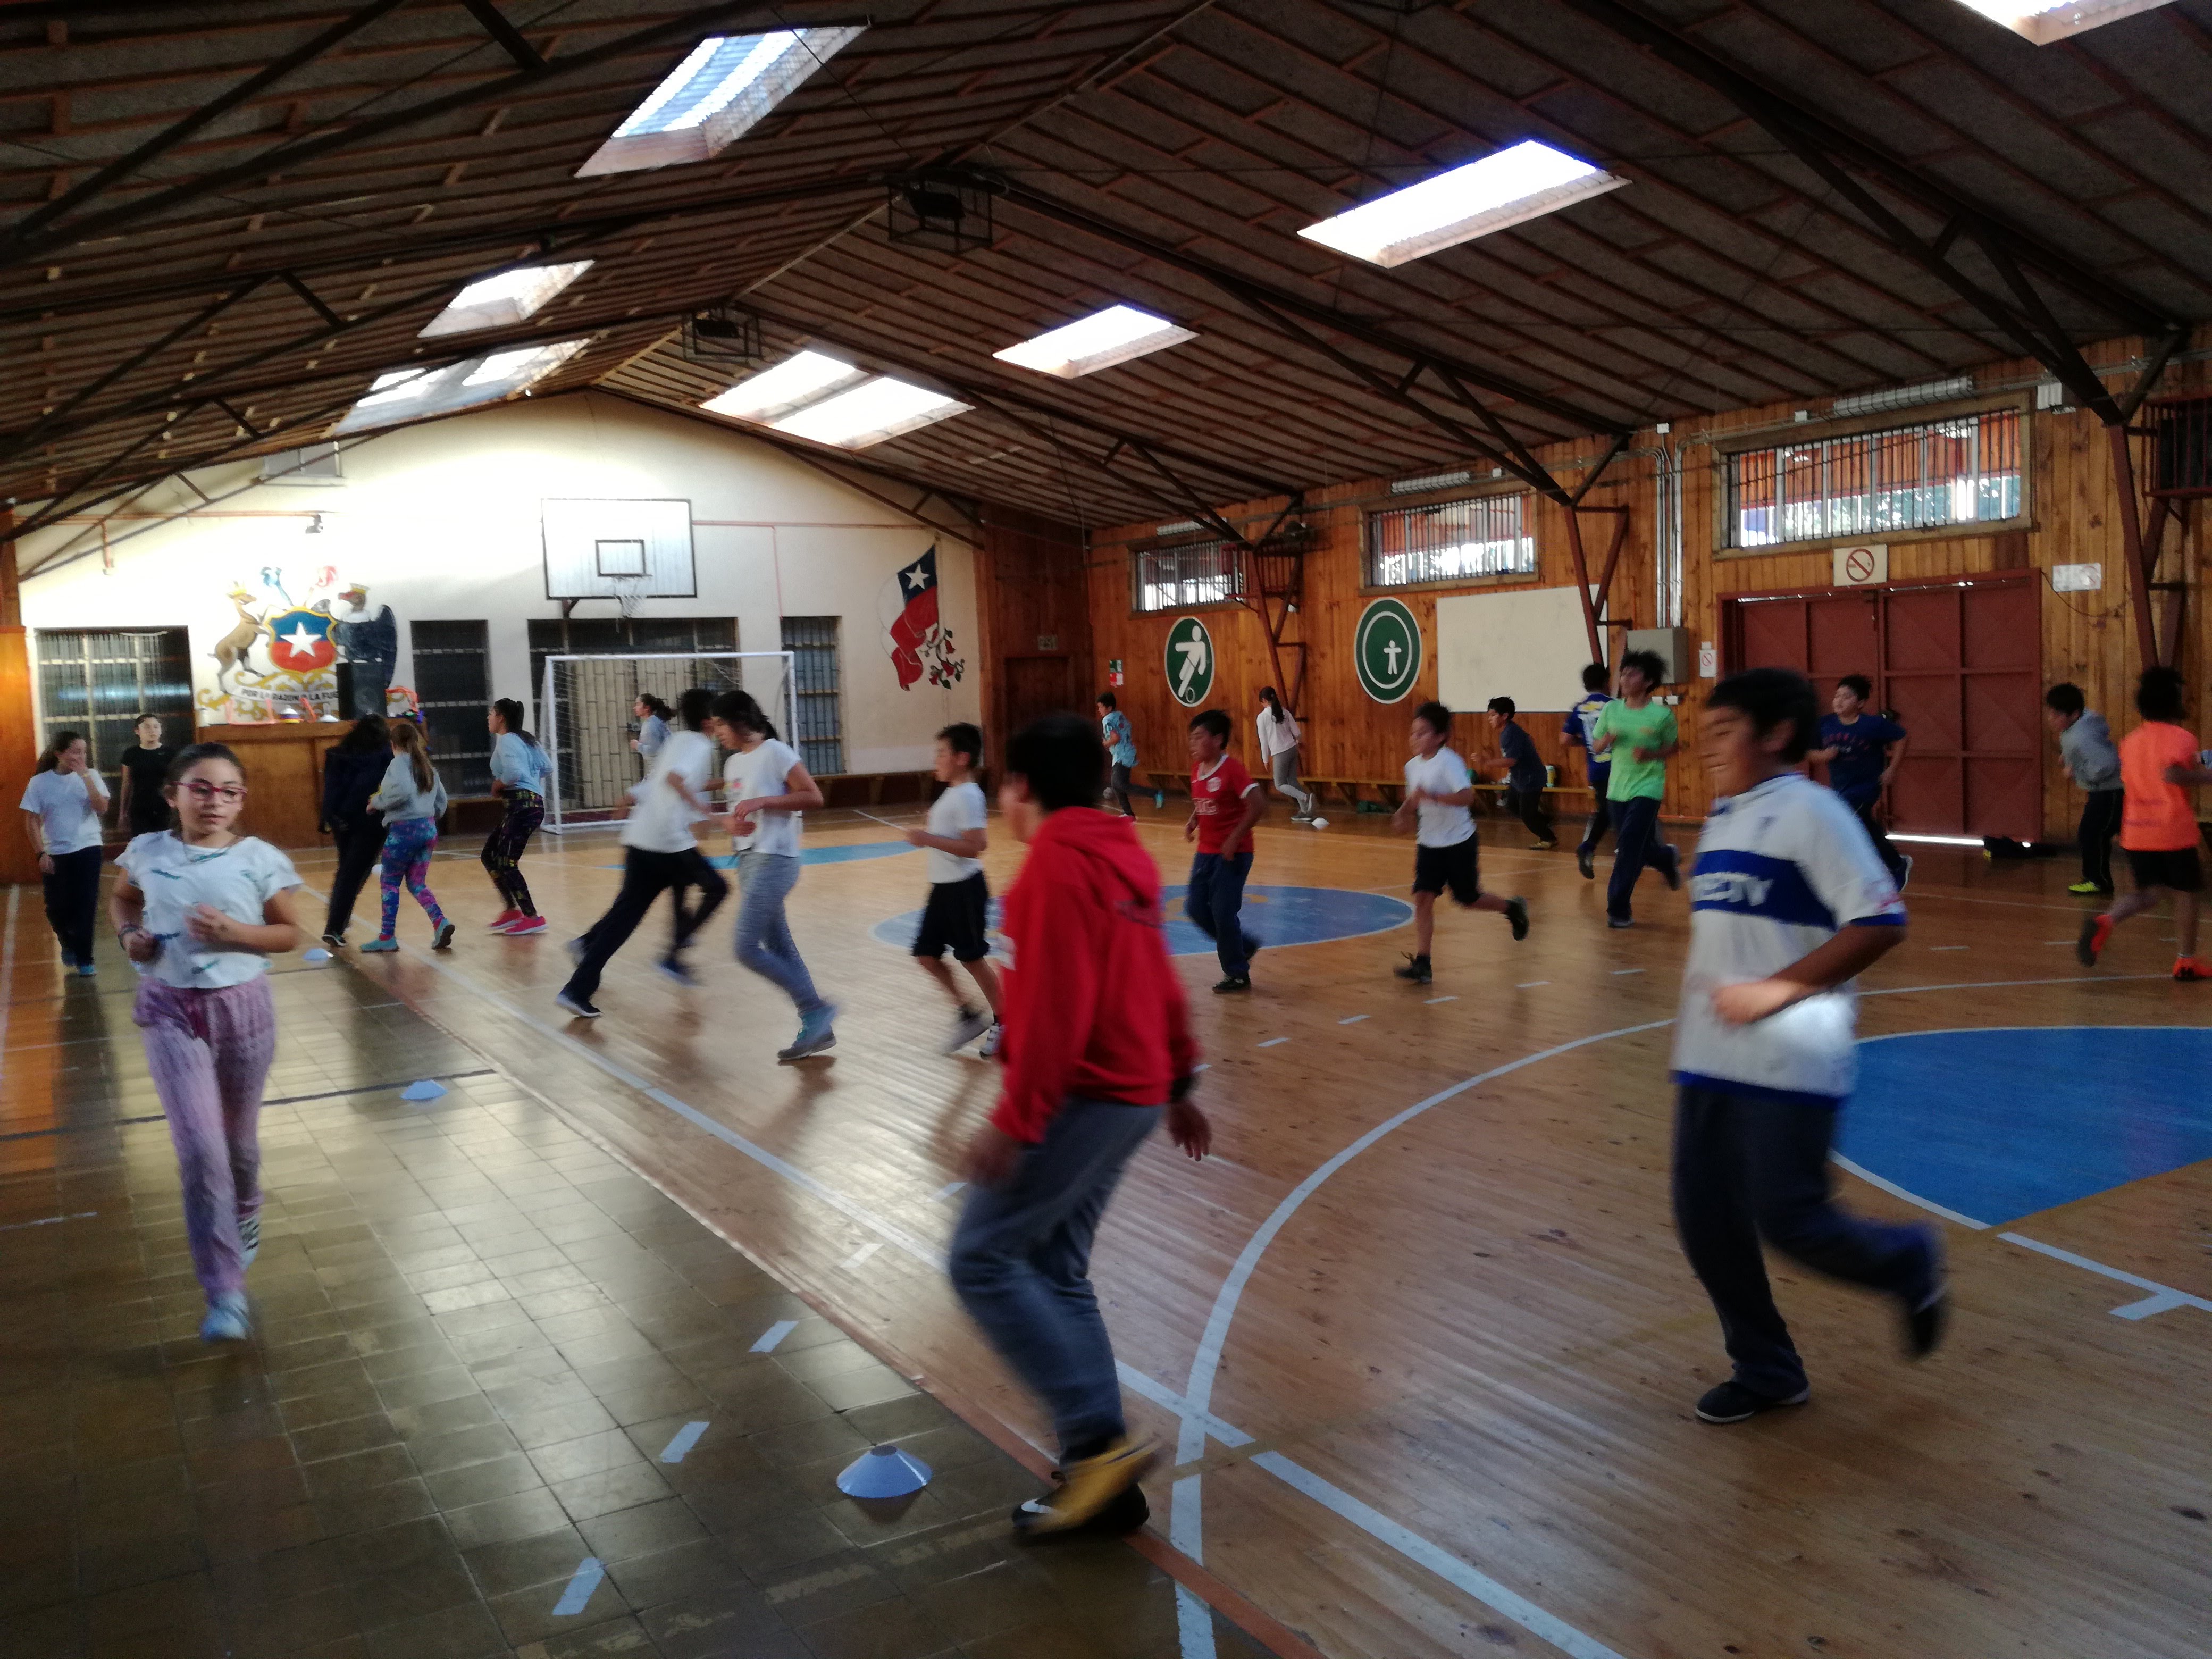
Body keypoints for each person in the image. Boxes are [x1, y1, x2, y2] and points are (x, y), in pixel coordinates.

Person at [948, 711, 1211, 1537]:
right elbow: (1158, 977)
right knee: (1057, 1268)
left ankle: (1097, 1448)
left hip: (1087, 1096)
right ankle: (1105, 1483)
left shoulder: (1051, 874)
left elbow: (1058, 1015)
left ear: (1022, 787)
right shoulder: (1125, 855)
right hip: (1136, 1095)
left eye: (1004, 785)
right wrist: (1179, 1080)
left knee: (979, 1258)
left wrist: (1014, 1121)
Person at [1670, 667, 1942, 1426]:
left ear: (1777, 734)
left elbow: (1880, 923)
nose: (1707, 748)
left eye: (1723, 733)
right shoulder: (1724, 818)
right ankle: (1767, 1370)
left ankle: (1906, 1260)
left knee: (1790, 1219)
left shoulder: (1814, 814)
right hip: (1708, 1057)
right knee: (1705, 1222)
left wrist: (1775, 991)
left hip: (1792, 1055)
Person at [110, 742, 304, 1343]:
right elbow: (122, 898)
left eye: (228, 791)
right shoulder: (147, 851)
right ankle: (224, 1292)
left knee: (238, 1147)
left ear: (241, 800)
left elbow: (290, 933)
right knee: (200, 1151)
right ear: (173, 795)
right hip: (169, 1011)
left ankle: (246, 1210)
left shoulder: (259, 859)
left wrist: (235, 932)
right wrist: (129, 936)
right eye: (200, 788)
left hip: (244, 1011)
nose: (214, 801)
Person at [558, 688, 725, 1015]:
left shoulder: (679, 741)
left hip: (641, 839)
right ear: (709, 720)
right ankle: (673, 954)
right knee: (717, 888)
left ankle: (577, 987)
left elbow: (661, 779)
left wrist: (630, 796)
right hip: (667, 843)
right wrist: (706, 811)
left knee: (626, 917)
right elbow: (675, 779)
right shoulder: (699, 744)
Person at [716, 688, 835, 1059]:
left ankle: (817, 1008)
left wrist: (765, 801)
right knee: (780, 947)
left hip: (776, 859)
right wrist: (732, 825)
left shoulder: (776, 752)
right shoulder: (732, 764)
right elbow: (740, 811)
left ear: (739, 721)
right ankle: (817, 1026)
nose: (717, 732)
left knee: (745, 948)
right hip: (748, 861)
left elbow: (814, 797)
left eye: (721, 724)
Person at [2079, 666, 2212, 979]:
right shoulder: (2182, 737)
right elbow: (2173, 774)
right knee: (2186, 893)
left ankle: (2106, 920)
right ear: (2174, 701)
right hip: (2172, 830)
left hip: (2137, 832)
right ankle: (2186, 962)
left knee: (2149, 894)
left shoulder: (2131, 741)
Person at [1390, 701, 1527, 984]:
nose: (1414, 738)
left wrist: (1433, 797)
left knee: (1468, 898)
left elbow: (1467, 797)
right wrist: (1403, 813)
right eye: (1413, 733)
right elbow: (1416, 798)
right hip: (1429, 843)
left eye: (1422, 733)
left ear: (1440, 736)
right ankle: (1423, 962)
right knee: (1423, 898)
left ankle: (1511, 908)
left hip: (1458, 842)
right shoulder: (1411, 767)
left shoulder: (1449, 761)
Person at [906, 722, 1004, 1055]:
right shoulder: (952, 793)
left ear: (962, 758)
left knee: (972, 958)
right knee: (926, 955)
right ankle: (968, 1015)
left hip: (964, 889)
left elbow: (976, 846)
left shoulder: (968, 795)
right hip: (943, 889)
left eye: (942, 753)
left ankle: (1006, 1021)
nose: (937, 759)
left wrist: (928, 838)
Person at [1592, 649, 1682, 928]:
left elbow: (1674, 747)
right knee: (1634, 845)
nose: (1624, 679)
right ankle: (1665, 858)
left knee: (1629, 847)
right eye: (1623, 674)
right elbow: (1596, 746)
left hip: (1648, 788)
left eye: (1632, 675)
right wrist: (1607, 739)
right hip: (1617, 789)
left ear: (1648, 681)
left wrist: (1651, 754)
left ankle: (1618, 909)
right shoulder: (1611, 710)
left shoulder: (1661, 716)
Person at [1184, 708, 1264, 993]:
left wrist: (1234, 839)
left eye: (1199, 737)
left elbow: (1258, 804)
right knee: (1195, 908)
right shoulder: (1197, 770)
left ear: (1218, 740)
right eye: (1191, 738)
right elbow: (1205, 801)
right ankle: (1243, 946)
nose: (1193, 743)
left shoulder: (1232, 769)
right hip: (1206, 852)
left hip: (1234, 854)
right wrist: (1194, 820)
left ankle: (1237, 973)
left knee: (1222, 912)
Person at [20, 730, 110, 976]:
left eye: (84, 752)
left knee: (85, 904)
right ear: (59, 753)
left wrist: (86, 777)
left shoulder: (91, 776)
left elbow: (102, 808)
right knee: (57, 907)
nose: (81, 757)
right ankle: (67, 940)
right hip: (56, 851)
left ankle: (85, 959)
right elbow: (31, 820)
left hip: (89, 847)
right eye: (75, 752)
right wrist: (40, 853)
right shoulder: (40, 783)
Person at [1808, 675, 1911, 889]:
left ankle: (1844, 873)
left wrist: (1892, 769)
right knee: (1865, 826)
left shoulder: (1872, 725)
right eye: (1837, 696)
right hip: (1840, 788)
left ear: (1861, 703)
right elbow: (1805, 752)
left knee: (1843, 821)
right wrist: (1823, 756)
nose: (1839, 701)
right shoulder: (1824, 725)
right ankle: (1897, 864)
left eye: (1846, 697)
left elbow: (1902, 737)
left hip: (1866, 788)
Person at [359, 719, 453, 954]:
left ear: (393, 745)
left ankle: (387, 936)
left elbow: (401, 791)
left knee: (390, 882)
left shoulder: (398, 764)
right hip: (428, 829)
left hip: (404, 832)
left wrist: (377, 802)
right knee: (417, 883)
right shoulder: (427, 766)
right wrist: (427, 816)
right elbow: (442, 801)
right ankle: (440, 922)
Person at [317, 715, 390, 947]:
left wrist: (328, 817)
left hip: (342, 821)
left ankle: (338, 920)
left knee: (346, 871)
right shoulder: (384, 756)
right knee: (355, 874)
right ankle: (335, 926)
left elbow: (331, 789)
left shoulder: (338, 754)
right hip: (370, 821)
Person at [2045, 683, 2122, 896]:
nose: (2051, 719)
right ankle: (2098, 880)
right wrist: (2071, 757)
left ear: (2074, 714)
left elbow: (2106, 765)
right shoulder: (2079, 727)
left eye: (2057, 715)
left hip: (2109, 791)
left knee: (2091, 834)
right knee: (2095, 834)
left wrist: (2076, 770)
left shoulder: (2082, 735)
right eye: (2051, 713)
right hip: (2105, 791)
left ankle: (2097, 881)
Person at [484, 698, 552, 936]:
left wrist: (499, 784)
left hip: (523, 806)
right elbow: (547, 767)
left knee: (506, 862)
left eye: (491, 713)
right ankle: (512, 910)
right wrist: (530, 779)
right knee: (490, 855)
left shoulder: (507, 741)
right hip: (527, 805)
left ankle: (532, 917)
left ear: (501, 717)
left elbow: (513, 773)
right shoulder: (526, 739)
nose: (489, 718)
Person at [1562, 663, 1615, 880]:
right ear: (1606, 682)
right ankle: (1590, 846)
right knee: (1624, 807)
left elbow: (1564, 740)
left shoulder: (1579, 708)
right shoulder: (1613, 705)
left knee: (1608, 809)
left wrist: (1586, 742)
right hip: (1618, 766)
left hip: (1596, 767)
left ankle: (1589, 846)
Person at [1487, 695, 1555, 849]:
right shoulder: (1507, 732)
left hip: (1530, 778)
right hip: (1519, 779)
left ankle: (1549, 838)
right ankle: (1545, 821)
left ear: (1504, 716)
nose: (1489, 719)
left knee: (1527, 815)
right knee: (1512, 805)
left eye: (1493, 715)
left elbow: (1511, 761)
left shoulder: (1511, 732)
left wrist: (1486, 762)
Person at [1255, 687, 1316, 822]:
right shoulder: (1284, 712)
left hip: (1280, 752)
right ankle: (1305, 811)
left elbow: (1263, 741)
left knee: (1280, 784)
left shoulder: (1262, 717)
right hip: (1292, 749)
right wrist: (1297, 741)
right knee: (1292, 781)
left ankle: (1305, 797)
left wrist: (1265, 760)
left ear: (1264, 700)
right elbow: (1297, 733)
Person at [114, 713, 177, 840]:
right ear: (137, 731)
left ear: (161, 730)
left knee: (168, 842)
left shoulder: (171, 753)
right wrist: (122, 813)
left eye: (156, 727)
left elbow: (177, 782)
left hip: (166, 806)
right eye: (147, 727)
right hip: (140, 806)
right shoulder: (131, 754)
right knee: (142, 843)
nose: (152, 730)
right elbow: (126, 784)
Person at [1097, 692, 1137, 816]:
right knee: (1117, 783)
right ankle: (1128, 813)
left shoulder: (1107, 720)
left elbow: (1115, 738)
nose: (1099, 710)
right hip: (1128, 752)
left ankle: (1154, 793)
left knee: (1118, 784)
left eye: (1101, 707)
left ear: (1109, 708)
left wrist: (1106, 743)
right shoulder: (1120, 715)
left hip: (1122, 755)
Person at [632, 693, 672, 762]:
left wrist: (637, 745)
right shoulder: (655, 721)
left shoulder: (650, 724)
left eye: (638, 705)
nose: (635, 708)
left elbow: (654, 750)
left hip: (661, 764)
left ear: (647, 708)